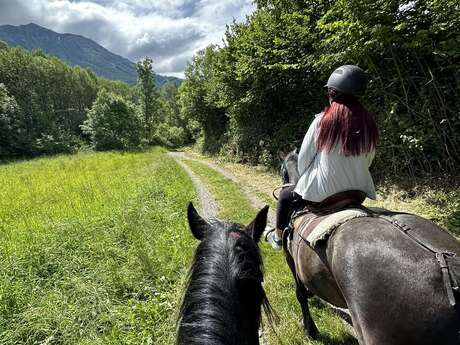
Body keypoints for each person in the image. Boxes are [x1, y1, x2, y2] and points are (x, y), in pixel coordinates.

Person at [266, 65, 378, 250]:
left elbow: (302, 163)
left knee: (285, 195)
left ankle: (278, 238)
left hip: (325, 194)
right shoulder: (369, 124)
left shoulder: (322, 121)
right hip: (358, 192)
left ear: (332, 92)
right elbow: (368, 160)